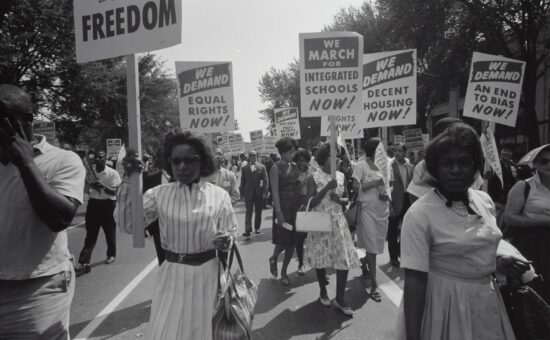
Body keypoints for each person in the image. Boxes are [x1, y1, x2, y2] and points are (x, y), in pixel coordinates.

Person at [397, 123, 529, 340]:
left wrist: (496, 263)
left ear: (476, 166)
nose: (456, 170)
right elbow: (415, 282)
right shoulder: (419, 214)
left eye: (464, 163)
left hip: (487, 301)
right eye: (447, 163)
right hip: (445, 307)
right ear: (434, 168)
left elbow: (475, 247)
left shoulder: (484, 201)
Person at [116, 131, 237, 340]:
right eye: (176, 161)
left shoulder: (219, 195)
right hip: (172, 274)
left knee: (206, 332)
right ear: (168, 162)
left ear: (203, 161)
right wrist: (128, 179)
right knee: (167, 331)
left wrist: (226, 239)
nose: (182, 167)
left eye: (190, 160)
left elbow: (231, 232)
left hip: (208, 276)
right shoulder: (158, 194)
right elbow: (127, 224)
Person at [0, 84, 85, 338]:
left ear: (25, 121)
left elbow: (59, 218)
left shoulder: (63, 160)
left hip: (38, 291)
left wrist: (25, 162)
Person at [304, 143, 359, 316]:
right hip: (320, 223)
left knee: (343, 261)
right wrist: (327, 188)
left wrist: (340, 200)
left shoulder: (341, 175)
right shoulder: (314, 177)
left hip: (338, 222)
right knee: (321, 260)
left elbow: (347, 201)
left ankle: (341, 299)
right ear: (323, 158)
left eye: (337, 155)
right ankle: (323, 290)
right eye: (331, 155)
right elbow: (309, 203)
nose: (335, 158)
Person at [504, 143, 550, 303]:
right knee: (536, 291)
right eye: (544, 161)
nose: (548, 164)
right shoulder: (524, 186)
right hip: (532, 245)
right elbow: (509, 217)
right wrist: (545, 221)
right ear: (535, 164)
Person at [352, 137, 390, 303]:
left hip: (382, 211)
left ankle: (365, 260)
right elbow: (355, 187)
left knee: (375, 246)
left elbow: (389, 185)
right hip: (366, 211)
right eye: (380, 148)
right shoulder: (361, 166)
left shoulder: (386, 166)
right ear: (373, 150)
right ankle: (375, 285)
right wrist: (375, 182)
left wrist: (386, 193)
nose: (383, 150)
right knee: (372, 248)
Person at [76, 150, 121, 273]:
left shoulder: (113, 173)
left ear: (105, 158)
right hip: (93, 205)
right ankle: (84, 262)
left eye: (100, 157)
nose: (97, 159)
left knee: (109, 233)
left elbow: (115, 192)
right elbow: (86, 191)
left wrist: (102, 187)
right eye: (95, 158)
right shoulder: (90, 174)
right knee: (90, 235)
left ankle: (111, 254)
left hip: (108, 205)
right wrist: (91, 187)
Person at [269, 137, 301, 285]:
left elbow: (299, 185)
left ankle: (284, 271)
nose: (292, 154)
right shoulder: (275, 168)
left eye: (293, 152)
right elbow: (275, 192)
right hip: (283, 210)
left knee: (293, 243)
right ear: (282, 152)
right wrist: (279, 213)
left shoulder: (295, 166)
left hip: (295, 209)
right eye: (290, 152)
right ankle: (274, 257)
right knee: (283, 241)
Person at [388, 143, 413, 268]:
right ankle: (393, 257)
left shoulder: (410, 166)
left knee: (406, 229)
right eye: (395, 150)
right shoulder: (389, 166)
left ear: (404, 152)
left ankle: (399, 251)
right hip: (394, 201)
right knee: (392, 231)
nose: (397, 153)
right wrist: (389, 204)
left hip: (408, 200)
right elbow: (387, 186)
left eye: (399, 150)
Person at [294, 148, 315, 275]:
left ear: (308, 161)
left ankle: (316, 264)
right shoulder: (294, 172)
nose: (301, 163)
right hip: (299, 206)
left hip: (313, 205)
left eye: (304, 160)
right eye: (299, 161)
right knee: (299, 237)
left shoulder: (314, 171)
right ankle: (301, 263)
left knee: (313, 236)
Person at [240, 150, 268, 237]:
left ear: (257, 156)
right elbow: (242, 182)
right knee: (248, 212)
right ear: (248, 157)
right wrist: (241, 194)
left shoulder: (262, 167)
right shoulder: (244, 168)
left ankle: (257, 228)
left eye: (254, 155)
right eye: (251, 155)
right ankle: (248, 230)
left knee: (258, 211)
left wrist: (265, 192)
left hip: (258, 193)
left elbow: (265, 181)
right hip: (248, 193)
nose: (252, 157)